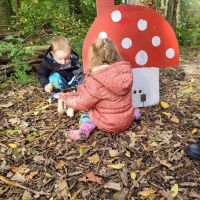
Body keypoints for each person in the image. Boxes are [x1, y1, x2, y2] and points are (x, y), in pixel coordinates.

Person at [57, 38, 135, 141]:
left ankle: (85, 130)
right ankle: (136, 114)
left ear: (93, 57)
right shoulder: (124, 72)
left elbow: (82, 103)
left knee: (87, 112)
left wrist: (65, 98)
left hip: (109, 123)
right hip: (128, 119)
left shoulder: (95, 79)